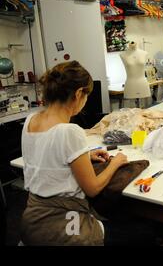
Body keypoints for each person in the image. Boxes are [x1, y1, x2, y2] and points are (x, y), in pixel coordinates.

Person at [20, 61, 129, 245]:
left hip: (31, 221)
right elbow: (92, 189)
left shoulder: (31, 120)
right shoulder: (70, 131)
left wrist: (83, 156)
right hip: (61, 227)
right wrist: (115, 162)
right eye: (86, 95)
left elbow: (48, 155)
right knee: (137, 233)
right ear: (79, 94)